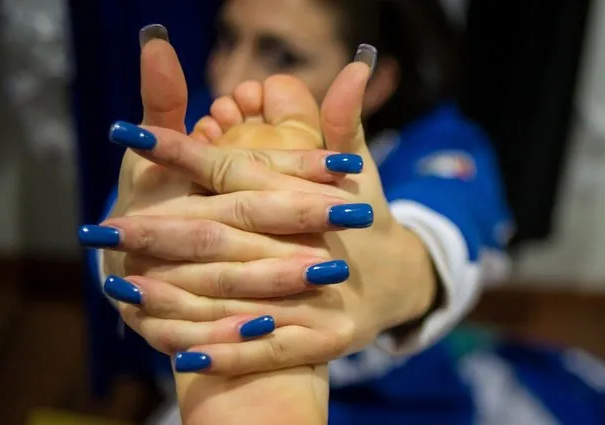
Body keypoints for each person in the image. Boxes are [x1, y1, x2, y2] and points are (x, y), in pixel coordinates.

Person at [79, 0, 595, 423]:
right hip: (210, 384)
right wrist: (135, 250)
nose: (232, 73)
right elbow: (125, 219)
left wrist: (396, 273)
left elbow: (448, 224)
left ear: (375, 81)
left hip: (404, 405)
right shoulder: (198, 131)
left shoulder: (439, 146)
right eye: (227, 38)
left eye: (281, 55)